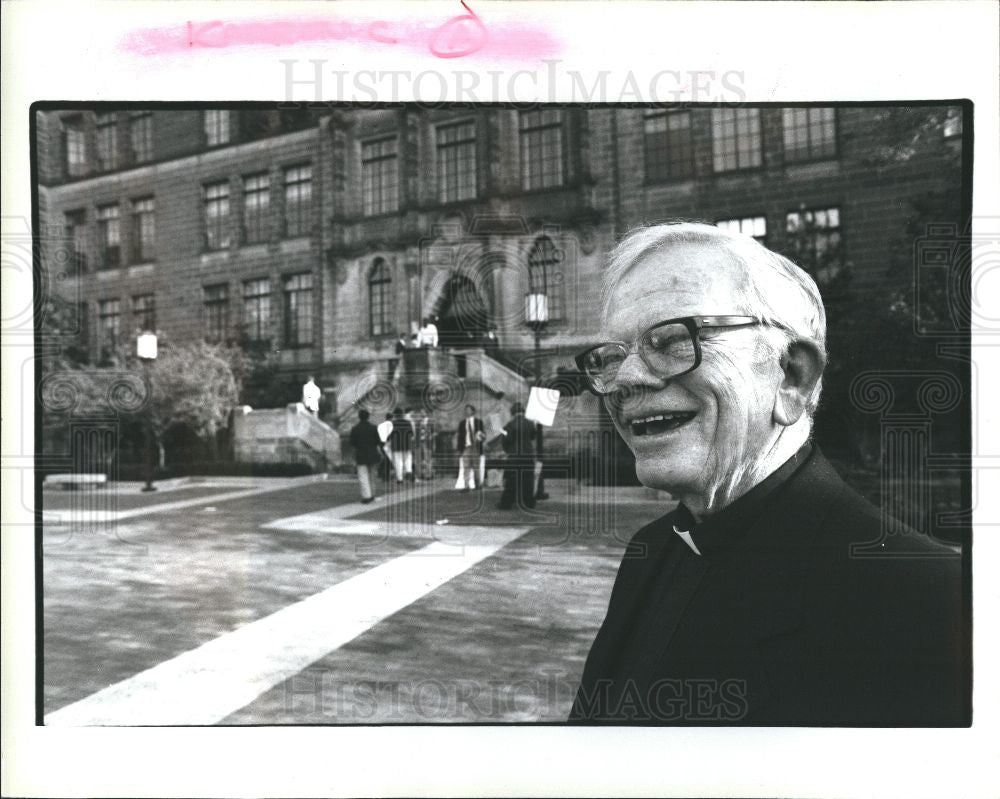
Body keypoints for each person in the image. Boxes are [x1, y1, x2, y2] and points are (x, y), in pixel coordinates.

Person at [568, 222, 966, 726]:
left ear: (792, 377)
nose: (625, 378)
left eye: (671, 340)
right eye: (612, 356)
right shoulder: (651, 550)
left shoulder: (929, 604)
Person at [497, 401, 536, 510]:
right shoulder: (530, 423)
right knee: (528, 480)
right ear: (523, 412)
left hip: (515, 456)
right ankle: (529, 503)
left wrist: (507, 449)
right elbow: (533, 436)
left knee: (511, 481)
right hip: (528, 455)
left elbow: (507, 440)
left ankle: (506, 503)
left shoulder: (510, 425)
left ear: (512, 412)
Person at [348, 408, 381, 504]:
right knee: (372, 475)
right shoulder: (374, 427)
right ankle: (372, 494)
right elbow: (377, 442)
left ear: (359, 417)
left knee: (363, 476)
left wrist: (353, 456)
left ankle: (366, 496)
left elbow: (352, 444)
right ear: (368, 416)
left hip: (361, 454)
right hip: (373, 453)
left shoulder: (355, 429)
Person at [456, 404, 486, 491]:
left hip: (476, 446)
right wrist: (459, 449)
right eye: (465, 410)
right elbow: (460, 436)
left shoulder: (478, 422)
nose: (466, 411)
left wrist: (480, 437)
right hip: (466, 446)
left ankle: (478, 484)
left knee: (476, 466)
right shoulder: (462, 423)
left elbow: (483, 435)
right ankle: (466, 485)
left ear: (473, 411)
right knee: (466, 466)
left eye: (468, 410)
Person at [388, 407, 414, 484]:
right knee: (408, 458)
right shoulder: (407, 422)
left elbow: (389, 435)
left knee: (398, 461)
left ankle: (400, 479)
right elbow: (411, 433)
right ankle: (409, 471)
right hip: (407, 443)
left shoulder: (392, 423)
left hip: (396, 444)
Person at [376, 413, 394, 481]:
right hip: (388, 444)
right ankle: (385, 475)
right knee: (388, 460)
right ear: (391, 418)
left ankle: (382, 473)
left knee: (385, 459)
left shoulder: (380, 425)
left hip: (381, 443)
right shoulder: (392, 426)